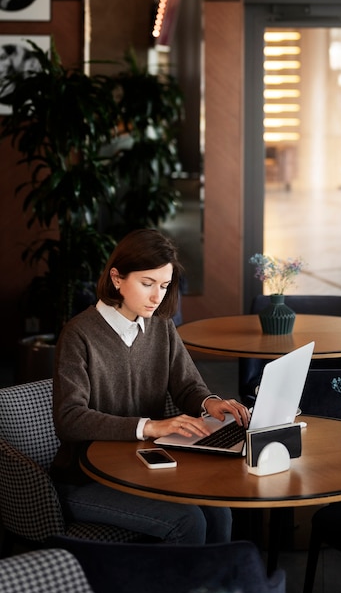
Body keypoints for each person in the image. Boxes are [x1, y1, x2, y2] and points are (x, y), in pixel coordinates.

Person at [51, 228, 250, 544]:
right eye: (147, 284)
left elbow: (186, 386)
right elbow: (69, 419)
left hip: (145, 465)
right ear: (117, 279)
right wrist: (150, 427)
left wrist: (210, 402)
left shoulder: (161, 325)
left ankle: (212, 591)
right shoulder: (79, 335)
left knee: (219, 512)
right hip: (86, 479)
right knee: (189, 522)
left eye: (165, 286)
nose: (157, 297)